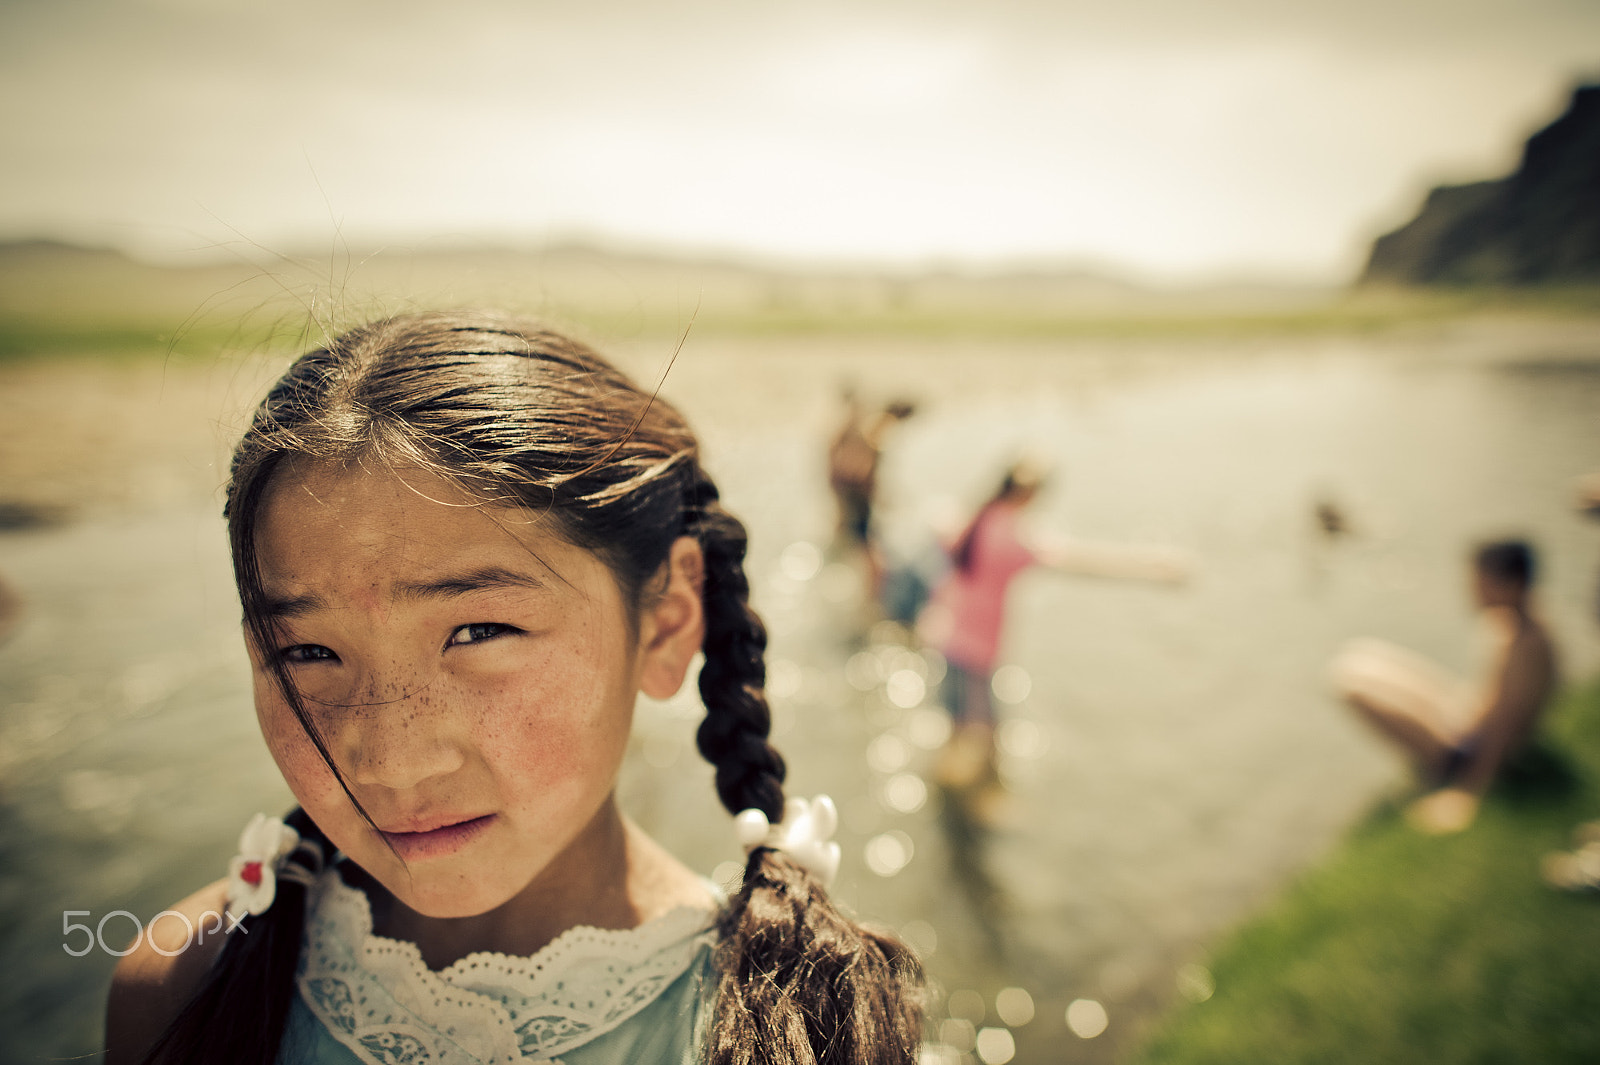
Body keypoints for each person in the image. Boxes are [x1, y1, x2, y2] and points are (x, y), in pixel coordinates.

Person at [105, 312, 922, 1065]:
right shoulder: (183, 986)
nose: (392, 760)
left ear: (668, 621)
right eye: (309, 650)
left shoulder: (786, 1030)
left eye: (479, 632)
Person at [917, 459, 1190, 804]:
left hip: (946, 637)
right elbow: (1080, 562)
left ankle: (946, 784)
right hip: (977, 650)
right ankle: (988, 796)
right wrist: (1153, 569)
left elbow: (937, 526)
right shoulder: (1012, 540)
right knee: (989, 733)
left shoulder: (973, 518)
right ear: (1030, 495)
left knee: (956, 722)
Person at [1331, 540, 1558, 835]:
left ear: (1510, 585)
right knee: (1358, 657)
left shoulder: (1522, 646)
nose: (1472, 589)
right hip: (1469, 717)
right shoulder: (1520, 620)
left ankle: (1437, 771)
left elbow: (1505, 727)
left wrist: (1467, 792)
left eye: (1480, 581)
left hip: (1467, 750)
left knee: (1351, 687)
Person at [827, 392, 915, 597]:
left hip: (850, 498)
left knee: (853, 547)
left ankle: (852, 594)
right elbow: (862, 467)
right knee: (871, 558)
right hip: (858, 501)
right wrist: (875, 491)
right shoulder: (883, 426)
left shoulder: (871, 423)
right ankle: (870, 601)